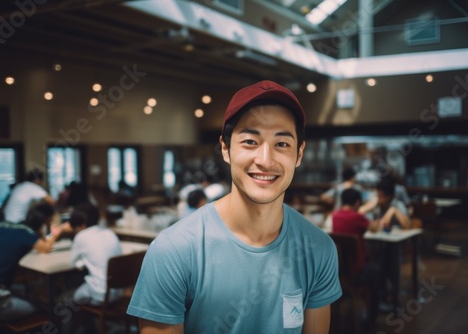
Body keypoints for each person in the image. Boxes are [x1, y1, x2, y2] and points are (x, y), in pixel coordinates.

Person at [127, 80, 342, 333]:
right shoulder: (173, 250)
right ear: (226, 149)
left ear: (299, 154)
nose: (265, 160)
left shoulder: (318, 248)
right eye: (250, 141)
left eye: (282, 144)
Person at [0, 203, 70, 322]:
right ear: (43, 223)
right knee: (45, 306)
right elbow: (45, 247)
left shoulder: (2, 225)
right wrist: (58, 230)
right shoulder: (26, 234)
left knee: (28, 290)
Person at [332, 188, 380, 326]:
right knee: (377, 271)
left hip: (339, 271)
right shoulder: (357, 217)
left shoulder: (336, 215)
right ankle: (371, 319)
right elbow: (374, 229)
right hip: (356, 272)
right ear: (357, 202)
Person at [68, 203, 123, 306]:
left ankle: (84, 321)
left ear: (82, 225)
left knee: (70, 296)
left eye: (75, 228)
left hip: (100, 295)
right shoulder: (109, 232)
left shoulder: (81, 236)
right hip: (118, 292)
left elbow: (76, 265)